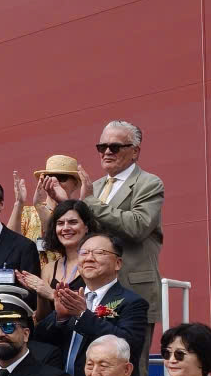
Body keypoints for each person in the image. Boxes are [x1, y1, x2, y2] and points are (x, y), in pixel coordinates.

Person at [68, 121, 165, 320]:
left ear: (135, 151)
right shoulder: (95, 187)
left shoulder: (149, 183)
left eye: (115, 147)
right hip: (95, 290)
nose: (107, 152)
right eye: (102, 147)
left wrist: (90, 202)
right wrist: (65, 203)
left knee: (130, 342)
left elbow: (138, 226)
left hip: (132, 288)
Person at [36, 234, 148, 376]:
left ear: (118, 263)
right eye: (84, 253)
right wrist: (60, 318)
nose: (89, 258)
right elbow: (39, 341)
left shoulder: (133, 302)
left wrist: (83, 315)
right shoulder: (71, 297)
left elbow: (129, 345)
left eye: (99, 252)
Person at [17, 198, 100, 293]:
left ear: (86, 227)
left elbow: (99, 301)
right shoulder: (48, 270)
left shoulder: (96, 262)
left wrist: (51, 294)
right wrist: (35, 290)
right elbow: (43, 303)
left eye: (73, 222)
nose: (65, 228)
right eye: (60, 223)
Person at [13, 156, 88, 245]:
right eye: (49, 177)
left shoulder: (81, 213)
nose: (54, 181)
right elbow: (9, 241)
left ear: (75, 184)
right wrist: (18, 204)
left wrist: (64, 203)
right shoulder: (27, 213)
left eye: (61, 178)